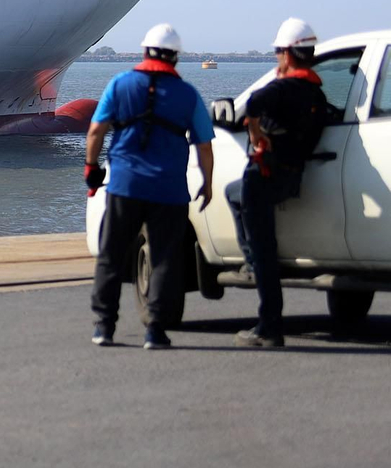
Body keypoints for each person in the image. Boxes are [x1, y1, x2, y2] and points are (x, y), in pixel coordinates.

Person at [85, 23, 215, 349]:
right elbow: (205, 146)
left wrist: (91, 170)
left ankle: (104, 326)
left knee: (111, 256)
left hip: (125, 186)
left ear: (145, 52)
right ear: (175, 58)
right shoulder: (188, 95)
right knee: (165, 260)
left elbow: (96, 132)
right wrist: (208, 184)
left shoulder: (120, 84)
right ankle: (155, 329)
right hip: (169, 192)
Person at [225, 18, 331, 348]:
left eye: (277, 53)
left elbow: (253, 104)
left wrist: (256, 135)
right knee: (234, 195)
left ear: (287, 53)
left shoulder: (284, 87)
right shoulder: (316, 92)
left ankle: (268, 324)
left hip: (263, 177)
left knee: (263, 250)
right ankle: (253, 262)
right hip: (290, 176)